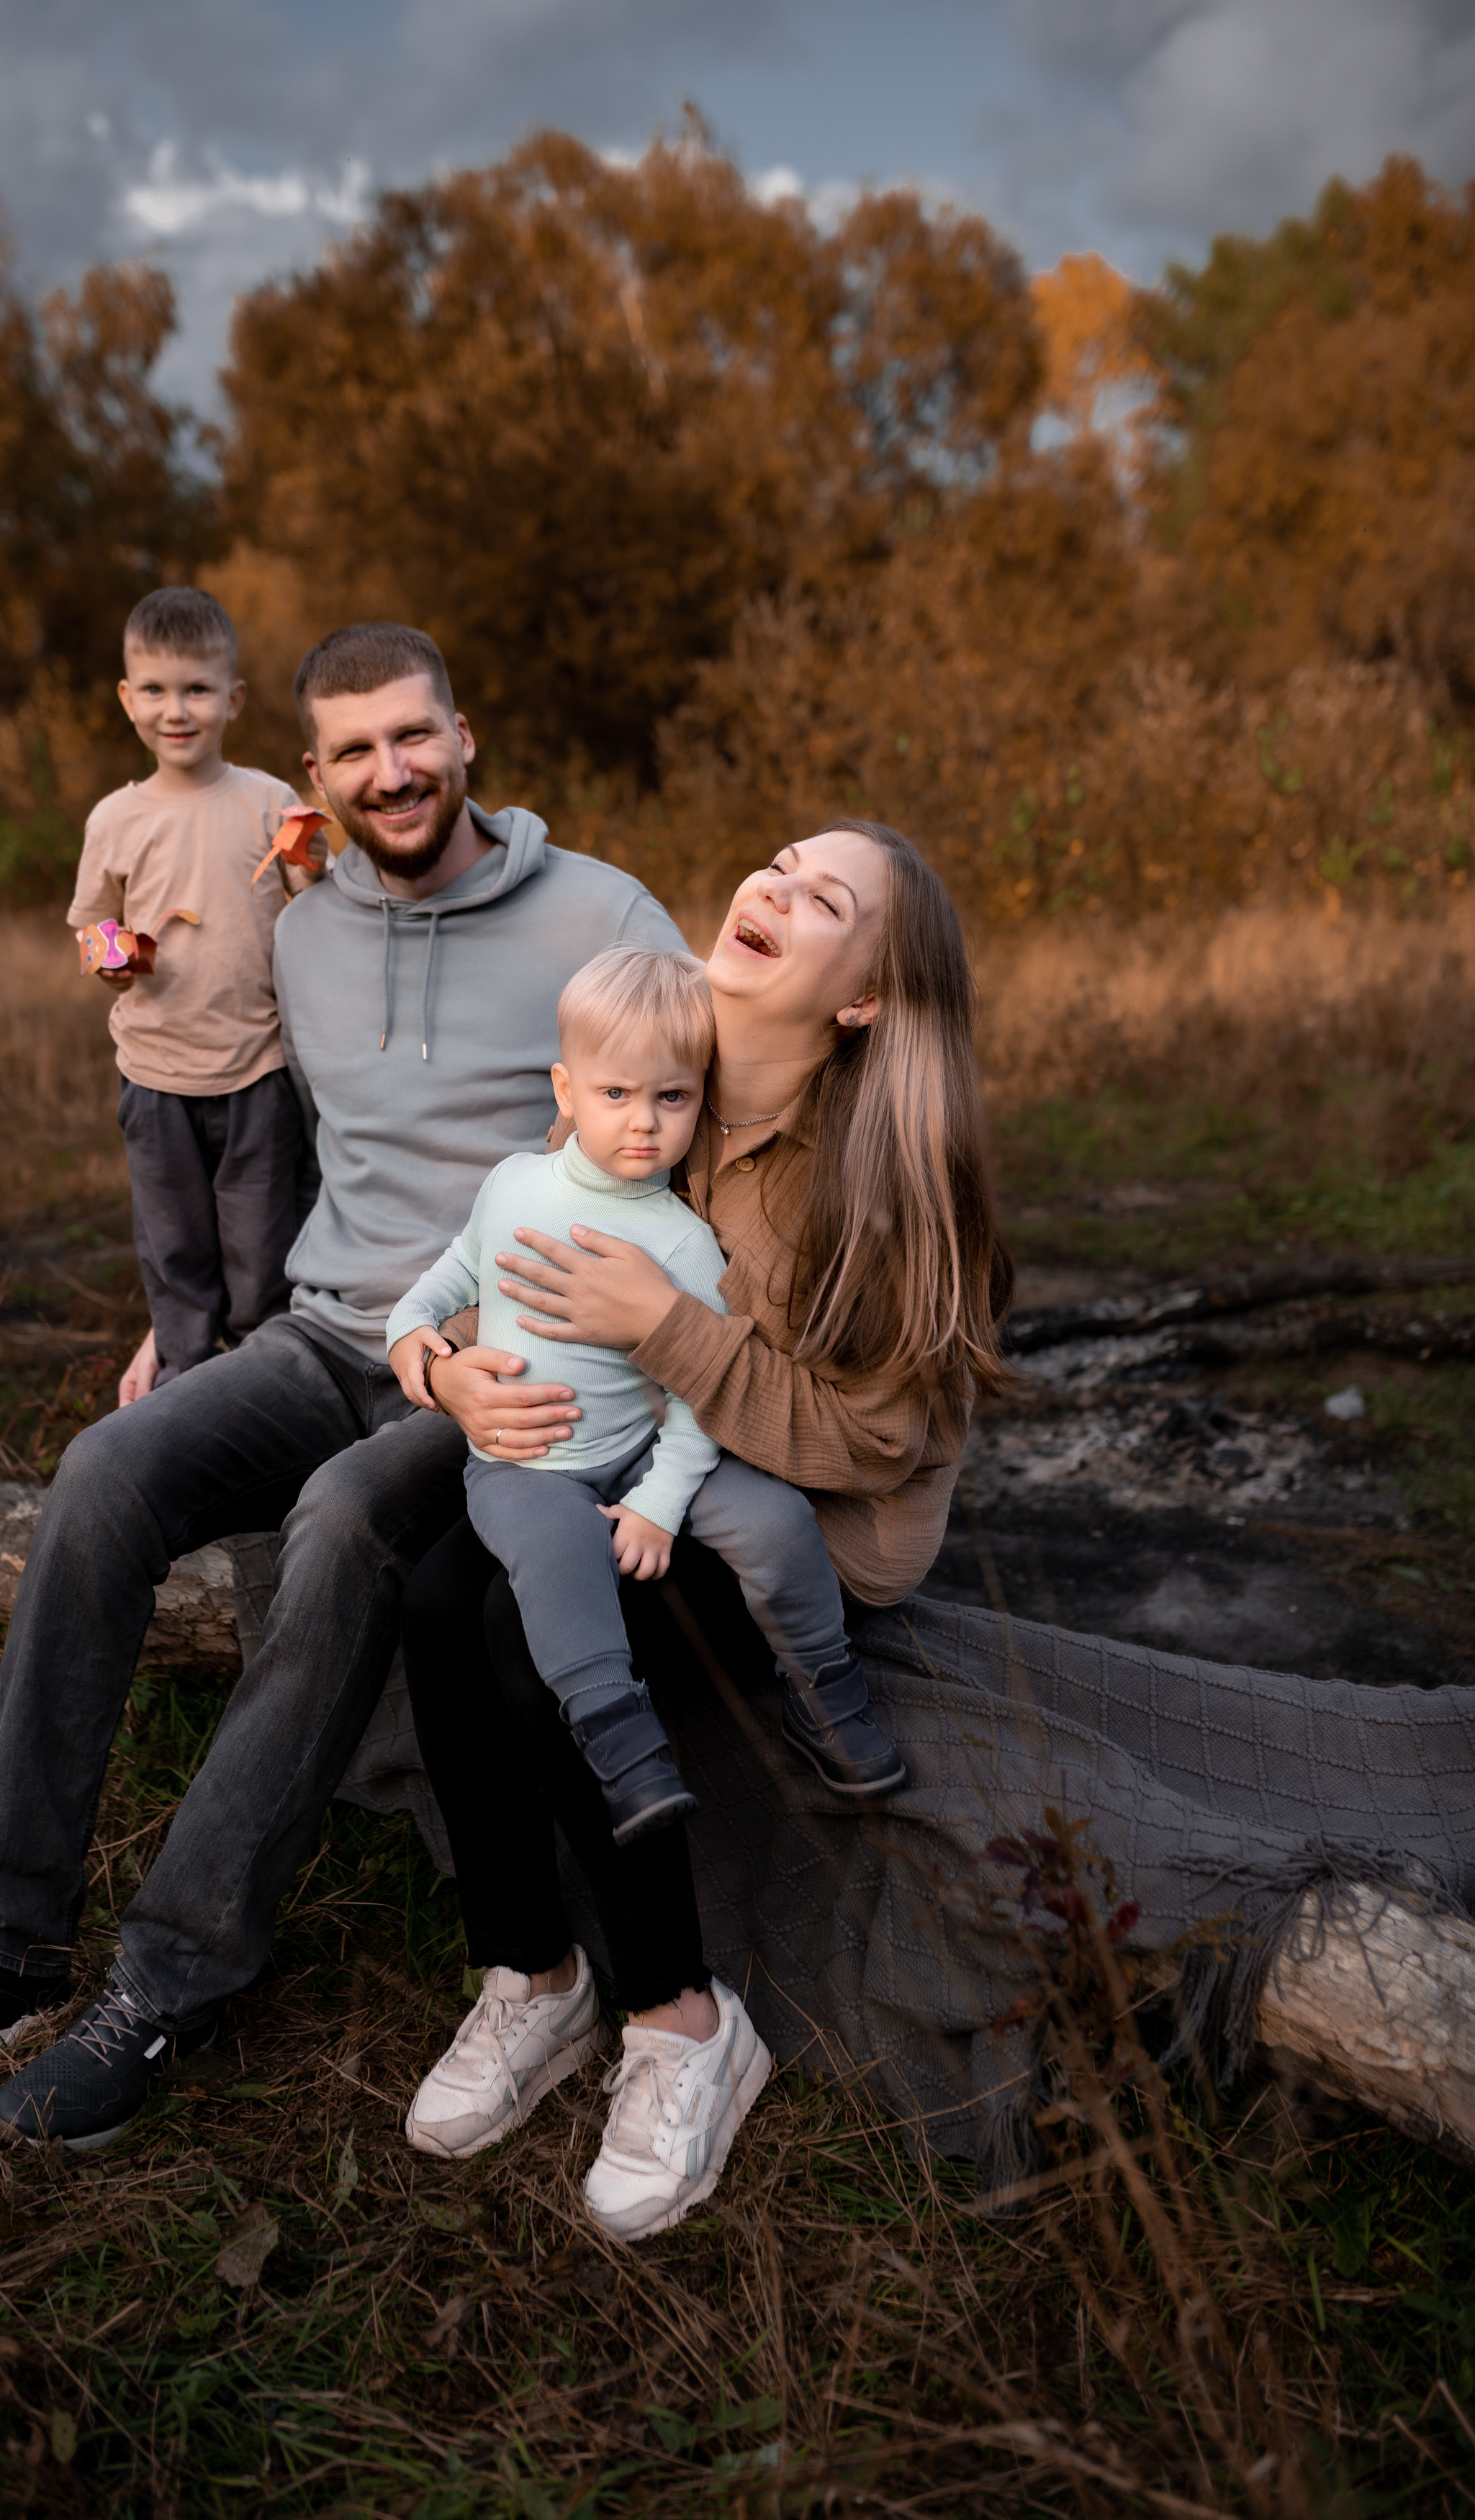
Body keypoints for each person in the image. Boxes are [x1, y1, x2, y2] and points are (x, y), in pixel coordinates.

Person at [0, 622, 685, 2148]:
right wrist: (180, 1314)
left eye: (412, 737)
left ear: (463, 735)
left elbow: (698, 1142)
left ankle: (169, 1979)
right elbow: (230, 1104)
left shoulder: (598, 915)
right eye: (350, 751)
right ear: (316, 774)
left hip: (491, 1375)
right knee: (103, 1472)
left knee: (339, 1525)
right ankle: (2, 1947)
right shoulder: (304, 920)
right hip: (321, 1329)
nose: (388, 773)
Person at [400, 820, 1011, 2240]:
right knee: (437, 1597)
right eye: (780, 863)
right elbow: (526, 1254)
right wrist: (456, 1367)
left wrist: (667, 1333)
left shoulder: (881, 1167)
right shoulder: (659, 1061)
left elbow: (880, 1440)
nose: (774, 889)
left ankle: (681, 2019)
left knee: (519, 1623)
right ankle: (533, 1976)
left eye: (825, 901)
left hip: (795, 1529)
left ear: (860, 995)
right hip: (624, 1457)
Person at [387, 942, 905, 1849]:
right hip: (527, 1464)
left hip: (647, 1446)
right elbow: (449, 1275)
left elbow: (701, 1394)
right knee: (553, 1558)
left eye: (672, 1097)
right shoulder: (513, 1186)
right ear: (564, 1090)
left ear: (699, 1097)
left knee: (776, 1518)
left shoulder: (682, 1243)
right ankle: (620, 1740)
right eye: (615, 1094)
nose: (644, 1124)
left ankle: (822, 1682)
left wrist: (658, 1506)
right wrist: (412, 1340)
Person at [71, 586, 322, 1400]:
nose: (175, 710)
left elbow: (313, 896)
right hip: (154, 1075)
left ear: (232, 698)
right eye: (154, 688)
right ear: (126, 697)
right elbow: (92, 923)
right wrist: (109, 955)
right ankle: (184, 1385)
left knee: (259, 1246)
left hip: (257, 1069)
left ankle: (263, 1387)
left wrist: (314, 851)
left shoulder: (266, 800)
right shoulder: (116, 817)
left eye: (196, 689)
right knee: (175, 1248)